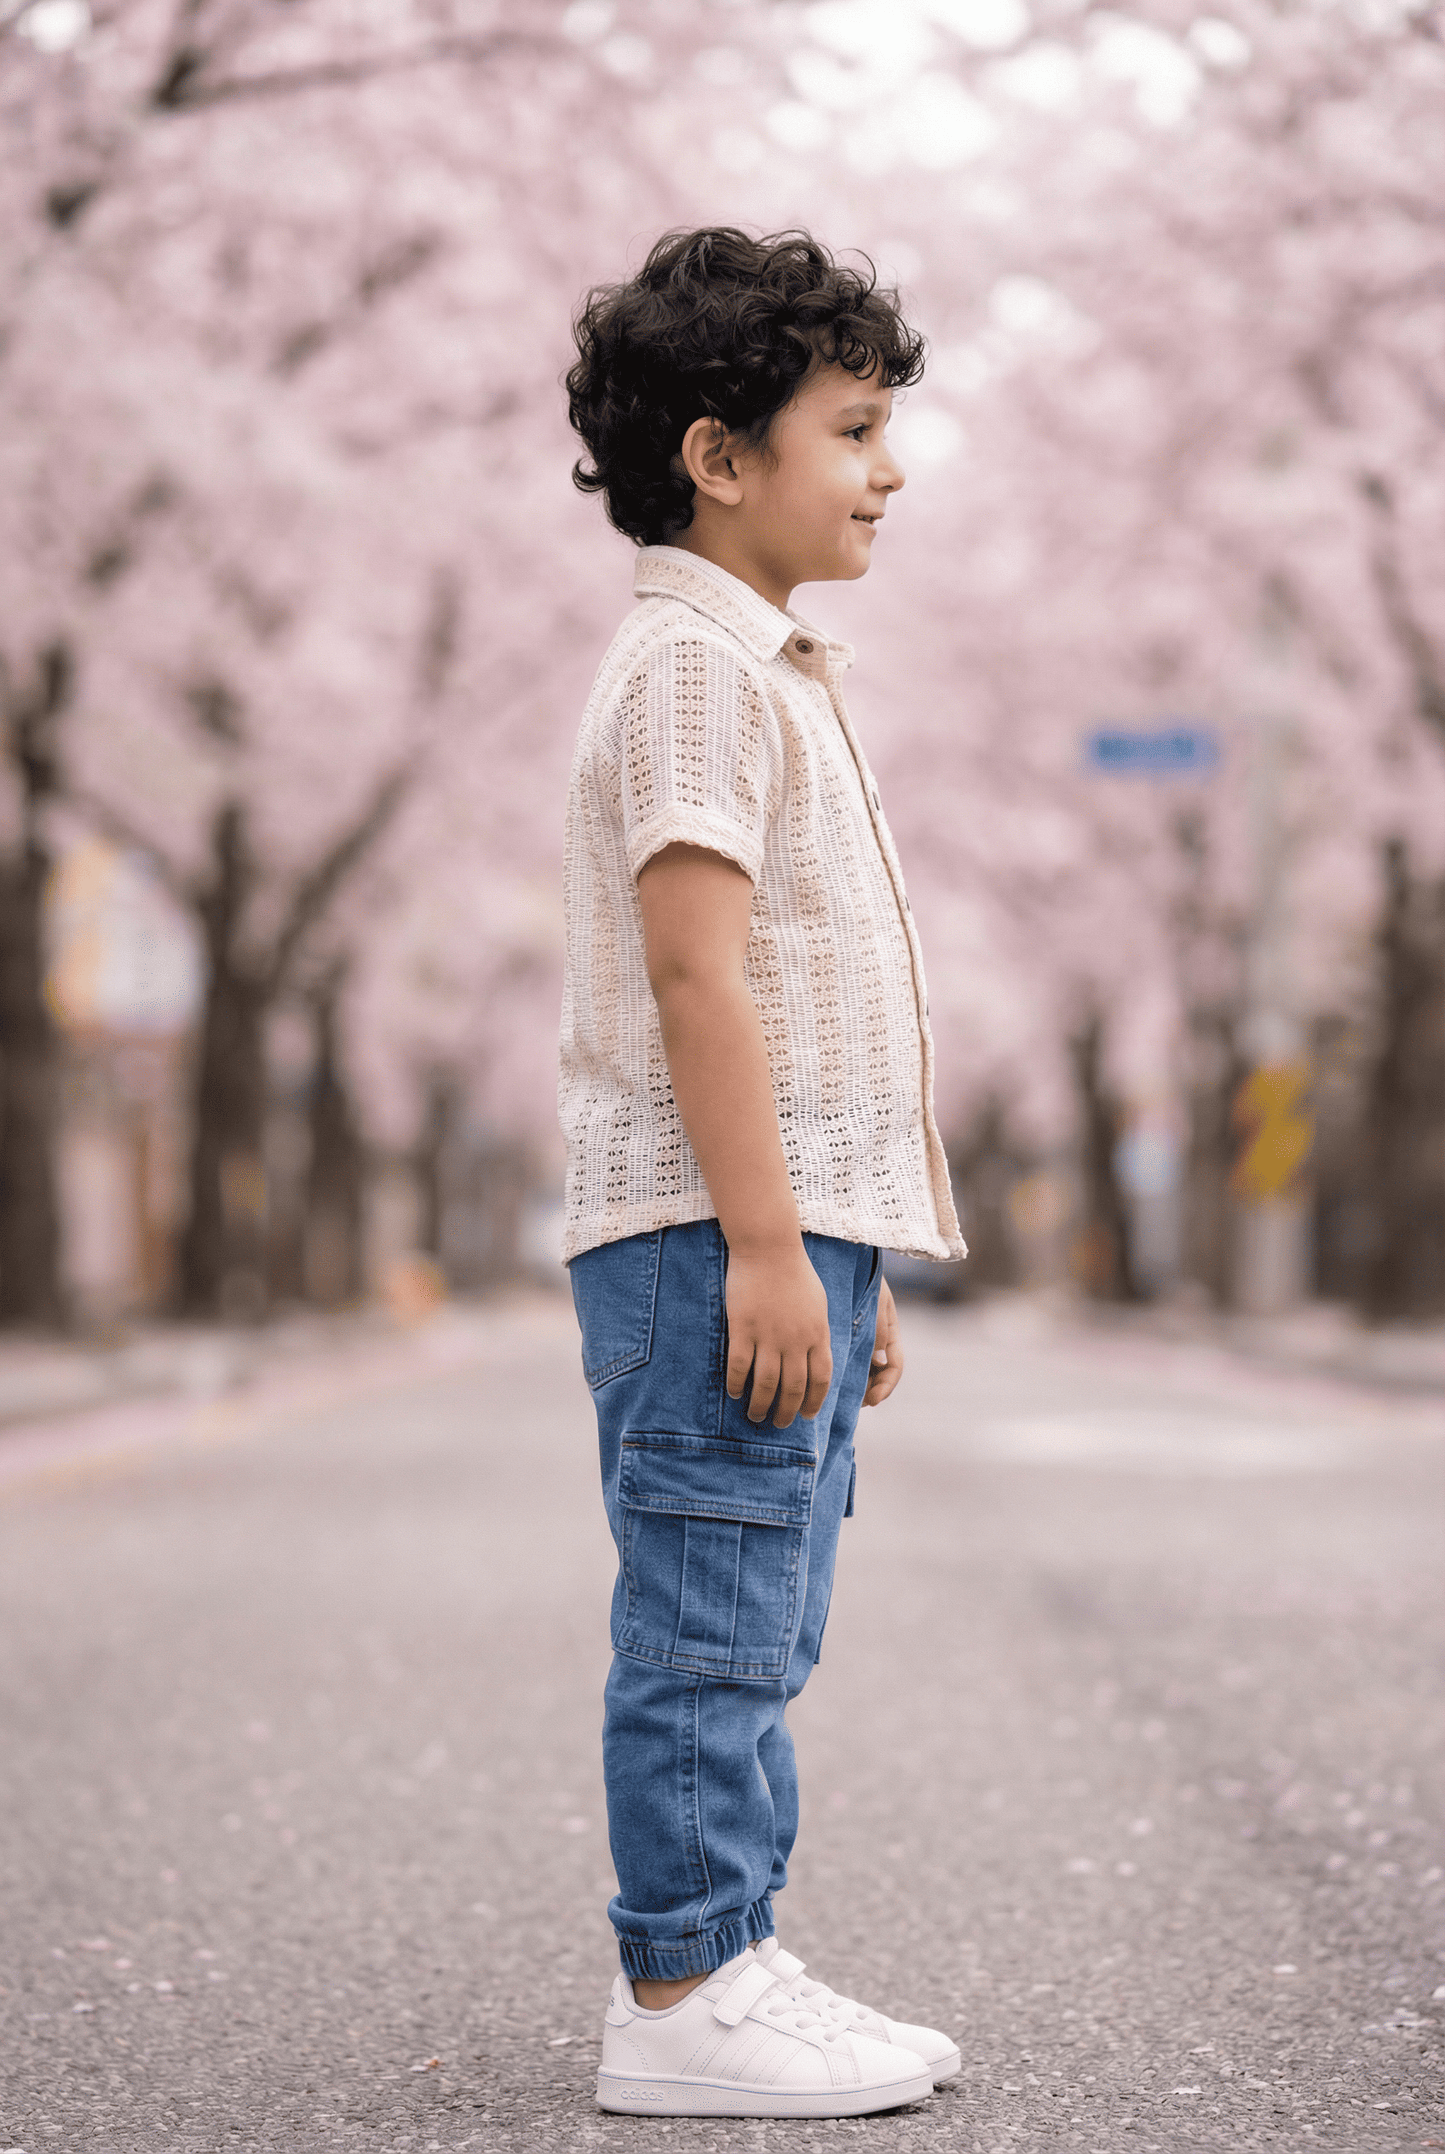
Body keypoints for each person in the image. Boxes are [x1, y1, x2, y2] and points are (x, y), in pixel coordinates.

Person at [560, 227, 966, 2120]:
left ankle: (733, 1948)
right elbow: (697, 970)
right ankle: (683, 1985)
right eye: (857, 427)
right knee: (712, 1613)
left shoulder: (772, 665)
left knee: (764, 1609)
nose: (891, 468)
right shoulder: (694, 673)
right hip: (712, 1232)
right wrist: (766, 1245)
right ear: (720, 456)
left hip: (777, 1230)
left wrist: (843, 1247)